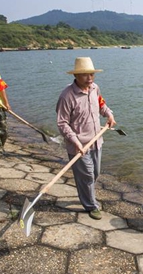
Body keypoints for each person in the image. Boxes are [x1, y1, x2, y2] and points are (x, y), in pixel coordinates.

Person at [56, 57, 116, 220]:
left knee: (94, 174)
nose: (89, 78)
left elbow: (101, 104)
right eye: (85, 75)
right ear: (75, 76)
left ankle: (87, 195)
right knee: (87, 176)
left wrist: (109, 114)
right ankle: (90, 205)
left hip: (97, 140)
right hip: (78, 146)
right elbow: (62, 123)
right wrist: (75, 141)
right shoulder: (67, 96)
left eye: (91, 74)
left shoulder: (94, 88)